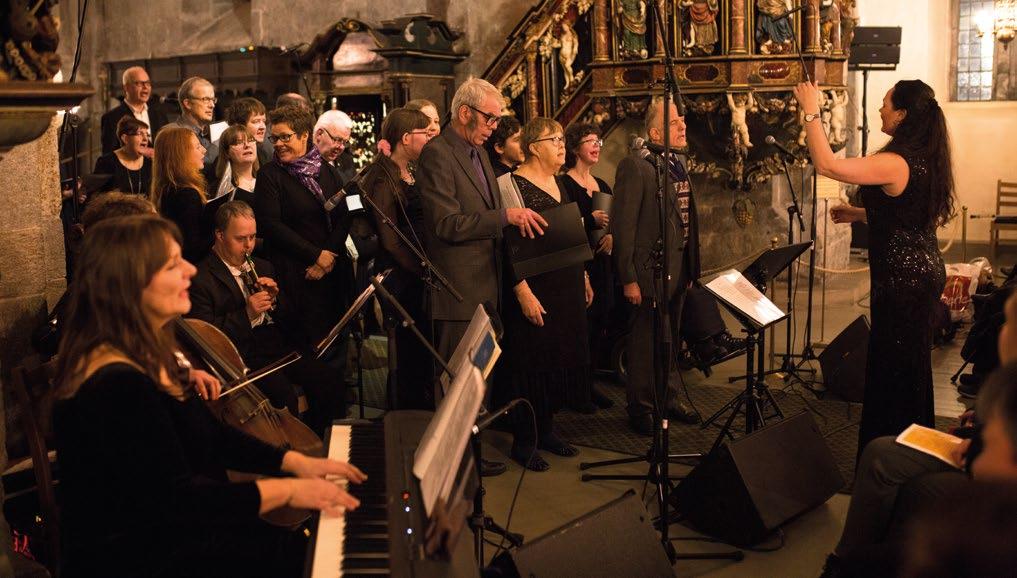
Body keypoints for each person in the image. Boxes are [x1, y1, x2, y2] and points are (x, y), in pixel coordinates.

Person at [52, 214, 364, 578]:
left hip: (170, 540)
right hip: (136, 559)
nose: (189, 269)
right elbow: (177, 503)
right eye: (172, 264)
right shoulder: (114, 382)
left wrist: (296, 463)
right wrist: (288, 493)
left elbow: (210, 438)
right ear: (132, 285)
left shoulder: (146, 357)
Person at [795, 79, 954, 455]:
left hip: (903, 280)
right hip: (922, 270)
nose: (880, 110)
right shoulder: (923, 157)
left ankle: (892, 454)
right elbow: (908, 215)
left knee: (893, 370)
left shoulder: (894, 161)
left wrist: (811, 110)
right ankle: (910, 448)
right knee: (908, 368)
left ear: (902, 114)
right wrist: (858, 213)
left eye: (885, 104)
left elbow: (827, 164)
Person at [819, 290, 1017, 578]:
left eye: (1009, 322)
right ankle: (844, 560)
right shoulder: (1008, 381)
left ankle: (858, 564)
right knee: (882, 453)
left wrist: (977, 447)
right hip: (976, 448)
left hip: (983, 467)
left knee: (913, 490)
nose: (1001, 330)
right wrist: (982, 426)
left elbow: (994, 468)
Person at [417, 78, 546, 477]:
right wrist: (504, 216)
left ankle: (467, 454)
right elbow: (445, 224)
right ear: (464, 113)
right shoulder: (439, 154)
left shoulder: (478, 154)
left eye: (498, 118)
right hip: (457, 290)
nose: (495, 126)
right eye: (490, 117)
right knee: (455, 386)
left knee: (475, 385)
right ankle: (450, 469)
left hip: (485, 287)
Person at [188, 201, 348, 434]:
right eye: (240, 239)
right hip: (241, 355)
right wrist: (248, 314)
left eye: (252, 237)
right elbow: (207, 337)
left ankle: (324, 443)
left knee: (329, 380)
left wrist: (275, 301)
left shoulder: (263, 266)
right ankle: (292, 457)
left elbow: (291, 322)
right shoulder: (200, 277)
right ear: (219, 235)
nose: (249, 246)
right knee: (283, 397)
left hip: (276, 347)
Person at [497, 118, 594, 471]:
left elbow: (572, 231)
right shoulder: (509, 184)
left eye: (562, 140)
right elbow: (504, 247)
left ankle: (548, 430)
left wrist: (583, 273)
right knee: (532, 362)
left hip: (566, 283)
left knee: (558, 359)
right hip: (534, 286)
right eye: (555, 140)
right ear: (534, 146)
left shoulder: (559, 182)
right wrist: (521, 290)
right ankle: (525, 441)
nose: (562, 146)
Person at [613, 96, 701, 436]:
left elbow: (686, 219)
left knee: (670, 340)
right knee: (645, 343)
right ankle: (641, 407)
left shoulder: (678, 162)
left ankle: (667, 398)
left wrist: (691, 268)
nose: (683, 126)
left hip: (677, 270)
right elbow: (624, 227)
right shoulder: (636, 167)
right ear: (655, 131)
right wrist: (628, 278)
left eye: (682, 120)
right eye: (675, 122)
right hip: (648, 272)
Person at [253, 105, 354, 349]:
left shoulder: (327, 171)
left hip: (331, 271)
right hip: (294, 275)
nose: (277, 144)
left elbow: (344, 217)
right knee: (305, 347)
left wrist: (328, 257)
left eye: (285, 137)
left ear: (304, 135)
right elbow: (270, 225)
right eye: (274, 138)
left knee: (334, 345)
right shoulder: (270, 175)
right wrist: (316, 255)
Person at [359, 108, 434, 410]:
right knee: (406, 349)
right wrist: (420, 268)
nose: (430, 139)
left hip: (415, 270)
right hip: (401, 275)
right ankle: (405, 414)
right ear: (406, 138)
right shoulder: (381, 177)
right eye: (425, 134)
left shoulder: (409, 171)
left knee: (418, 350)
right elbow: (390, 240)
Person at [561, 122, 614, 413]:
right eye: (589, 141)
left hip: (601, 264)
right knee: (580, 329)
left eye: (598, 141)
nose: (596, 146)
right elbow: (566, 228)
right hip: (579, 265)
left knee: (599, 325)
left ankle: (590, 383)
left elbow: (611, 221)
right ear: (574, 148)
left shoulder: (603, 185)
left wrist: (611, 236)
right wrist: (590, 220)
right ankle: (575, 390)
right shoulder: (565, 184)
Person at [151, 126, 211, 263]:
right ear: (181, 154)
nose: (204, 150)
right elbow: (192, 250)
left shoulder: (168, 188)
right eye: (197, 147)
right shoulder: (187, 195)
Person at [100, 66, 167, 155]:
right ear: (126, 88)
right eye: (139, 83)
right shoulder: (111, 118)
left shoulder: (159, 114)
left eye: (147, 83)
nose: (145, 87)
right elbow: (109, 155)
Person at [163, 76, 219, 167]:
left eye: (213, 100)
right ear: (188, 103)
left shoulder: (205, 134)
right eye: (205, 99)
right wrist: (220, 142)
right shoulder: (173, 134)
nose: (212, 105)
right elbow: (197, 167)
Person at [93, 116, 152, 195]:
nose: (145, 139)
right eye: (140, 134)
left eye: (147, 135)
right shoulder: (107, 162)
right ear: (125, 138)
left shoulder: (150, 161)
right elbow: (98, 196)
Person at [213, 124, 259, 206]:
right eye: (239, 142)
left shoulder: (267, 180)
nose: (247, 145)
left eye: (250, 140)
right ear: (227, 153)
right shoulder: (223, 191)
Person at [224, 96, 271, 165]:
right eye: (256, 121)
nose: (263, 127)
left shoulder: (263, 153)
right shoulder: (226, 158)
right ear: (239, 125)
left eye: (264, 121)